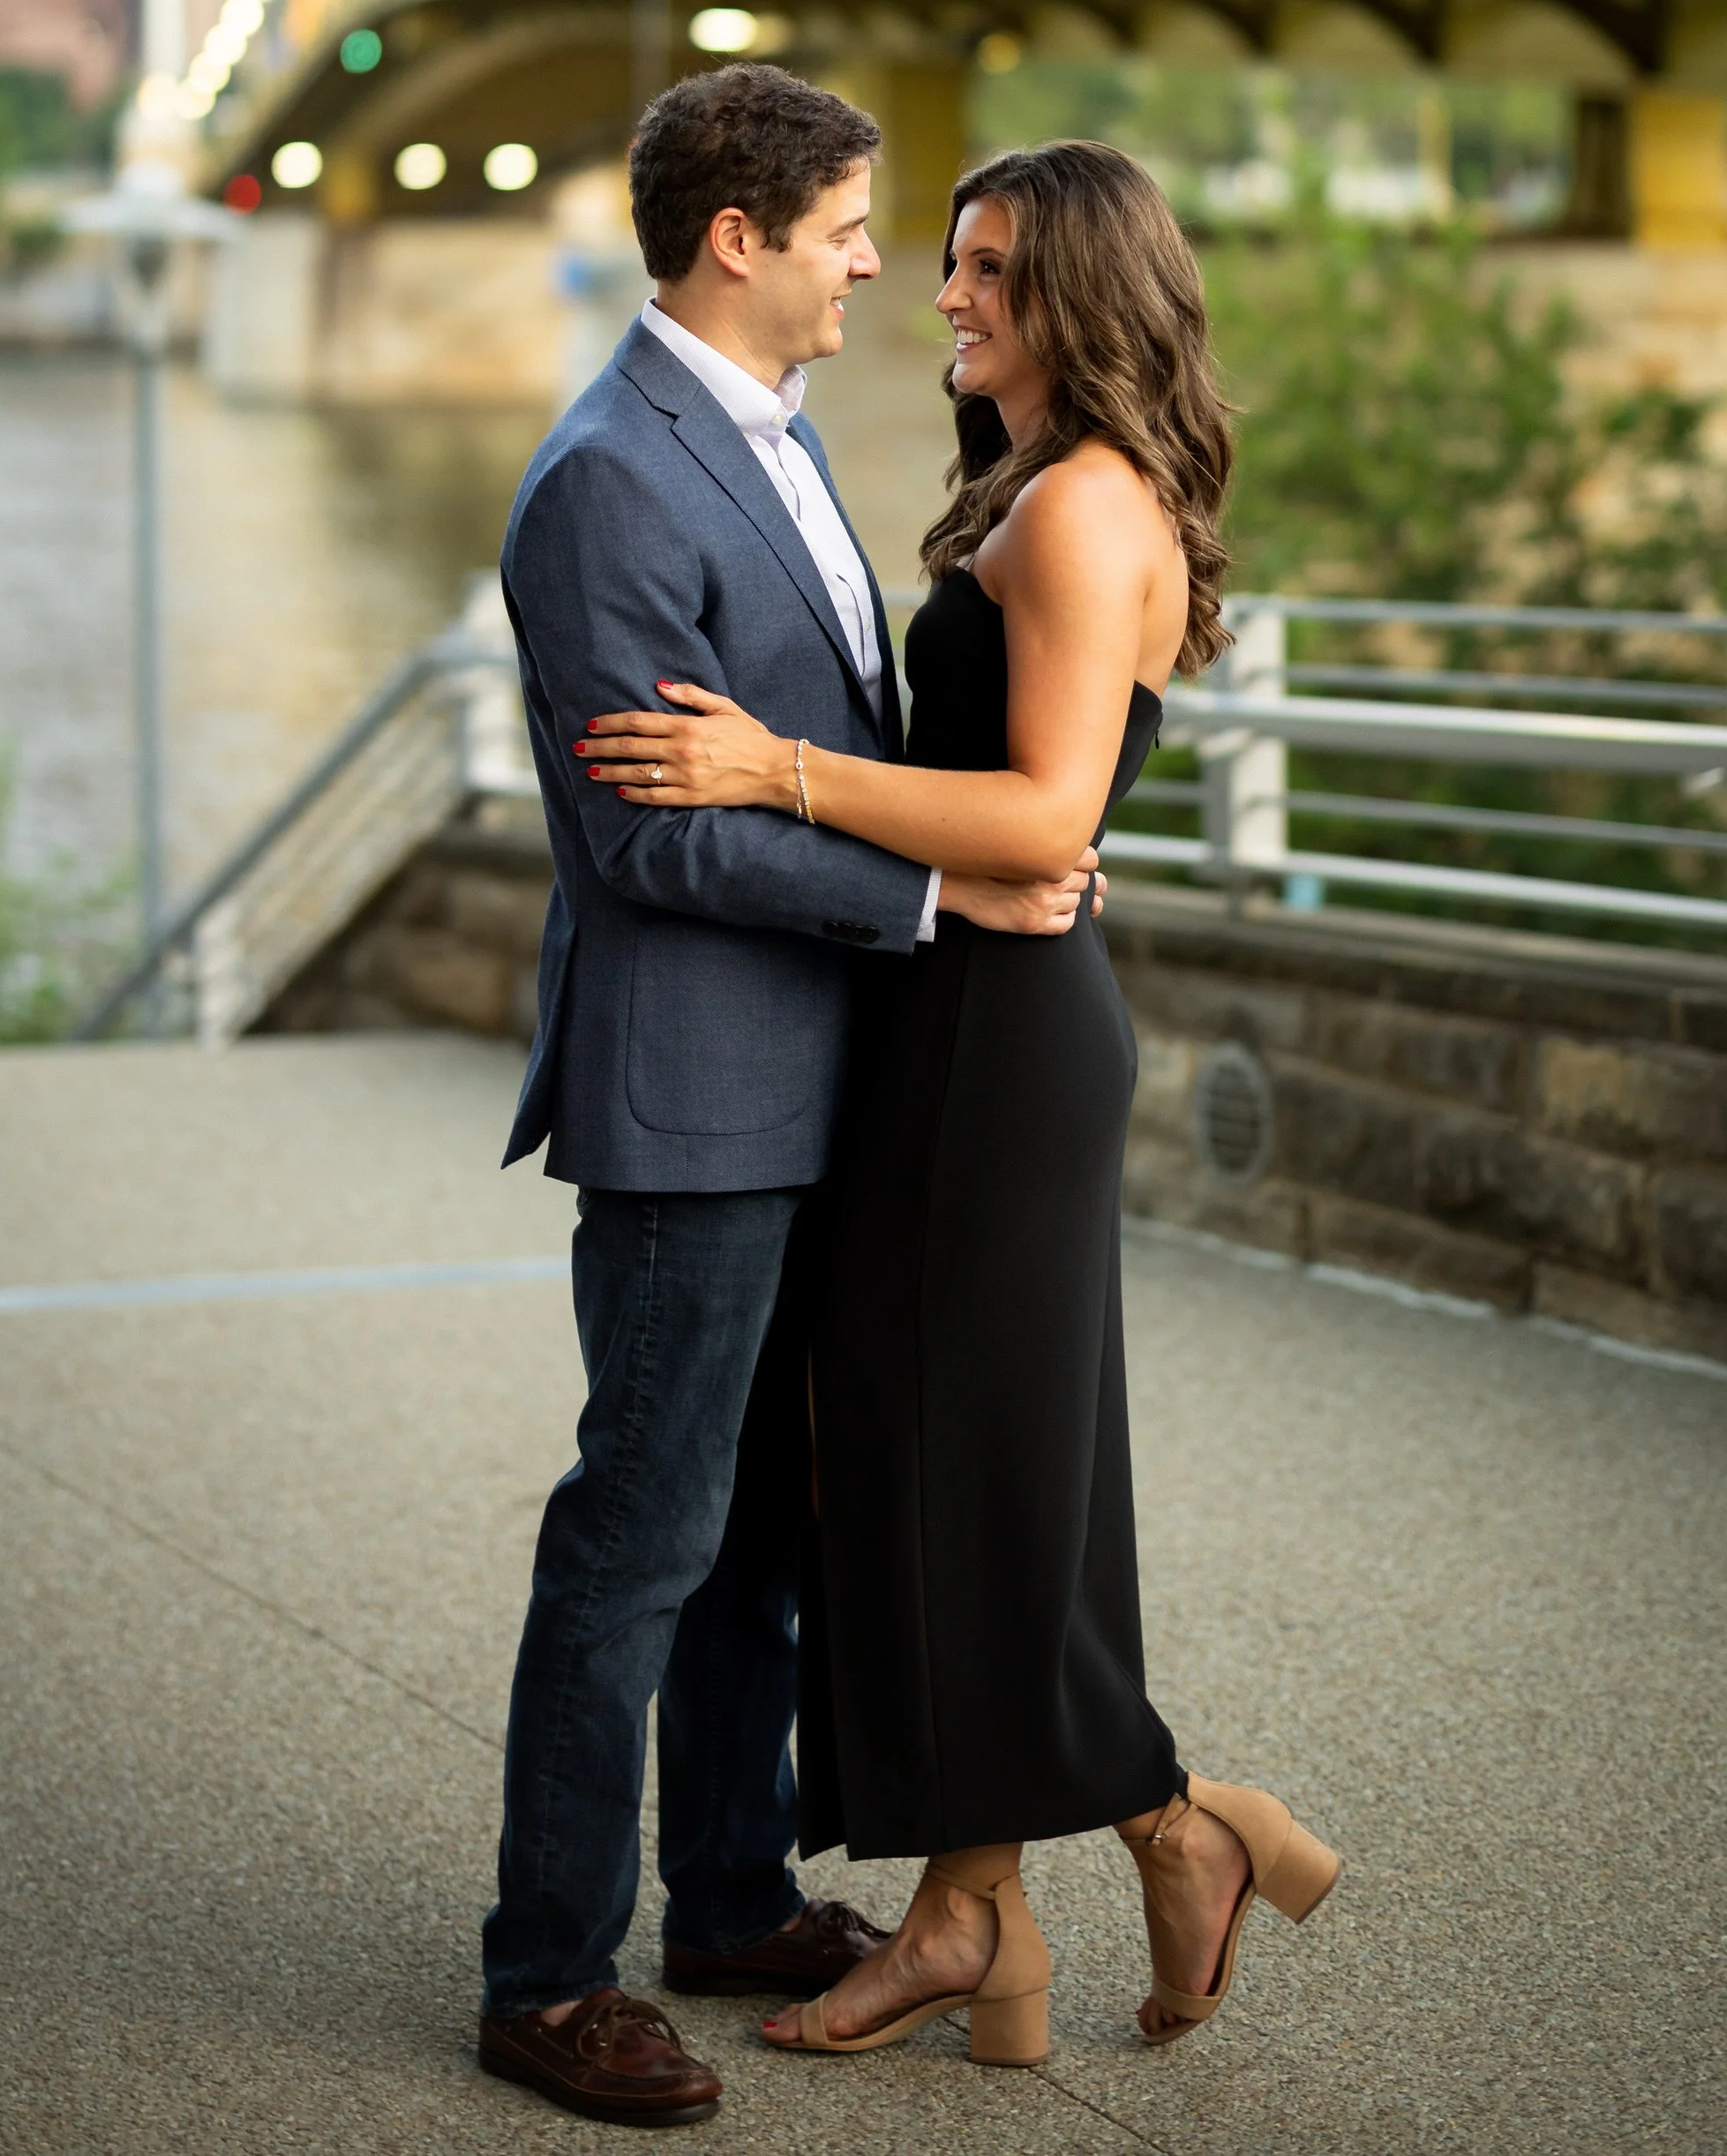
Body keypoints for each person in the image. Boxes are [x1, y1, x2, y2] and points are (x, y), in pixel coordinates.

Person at [578, 138, 1340, 2073]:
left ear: (1076, 293)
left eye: (985, 269)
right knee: (941, 1469)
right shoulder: (1046, 491)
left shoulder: (1083, 510)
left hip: (998, 1036)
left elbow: (1043, 818)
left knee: (948, 1469)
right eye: (935, 259)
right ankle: (983, 1904)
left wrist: (772, 772)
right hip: (957, 1016)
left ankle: (1157, 1830)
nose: (943, 296)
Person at [479, 70, 1100, 2130]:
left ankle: (728, 1893)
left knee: (759, 1540)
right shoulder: (604, 483)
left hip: (820, 1084)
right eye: (846, 226)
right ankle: (544, 1979)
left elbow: (795, 736)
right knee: (640, 1537)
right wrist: (939, 879)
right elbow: (647, 841)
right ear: (734, 238)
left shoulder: (766, 432)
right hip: (695, 1104)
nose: (875, 265)